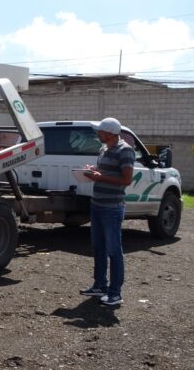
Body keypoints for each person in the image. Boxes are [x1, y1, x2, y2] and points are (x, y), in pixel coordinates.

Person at [79, 117, 135, 306]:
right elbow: (105, 171)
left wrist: (100, 177)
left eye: (100, 132)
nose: (98, 134)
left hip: (112, 207)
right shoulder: (104, 149)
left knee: (113, 250)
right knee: (98, 247)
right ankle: (100, 285)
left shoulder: (125, 150)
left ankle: (115, 292)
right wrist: (92, 170)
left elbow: (126, 179)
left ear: (109, 133)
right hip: (97, 205)